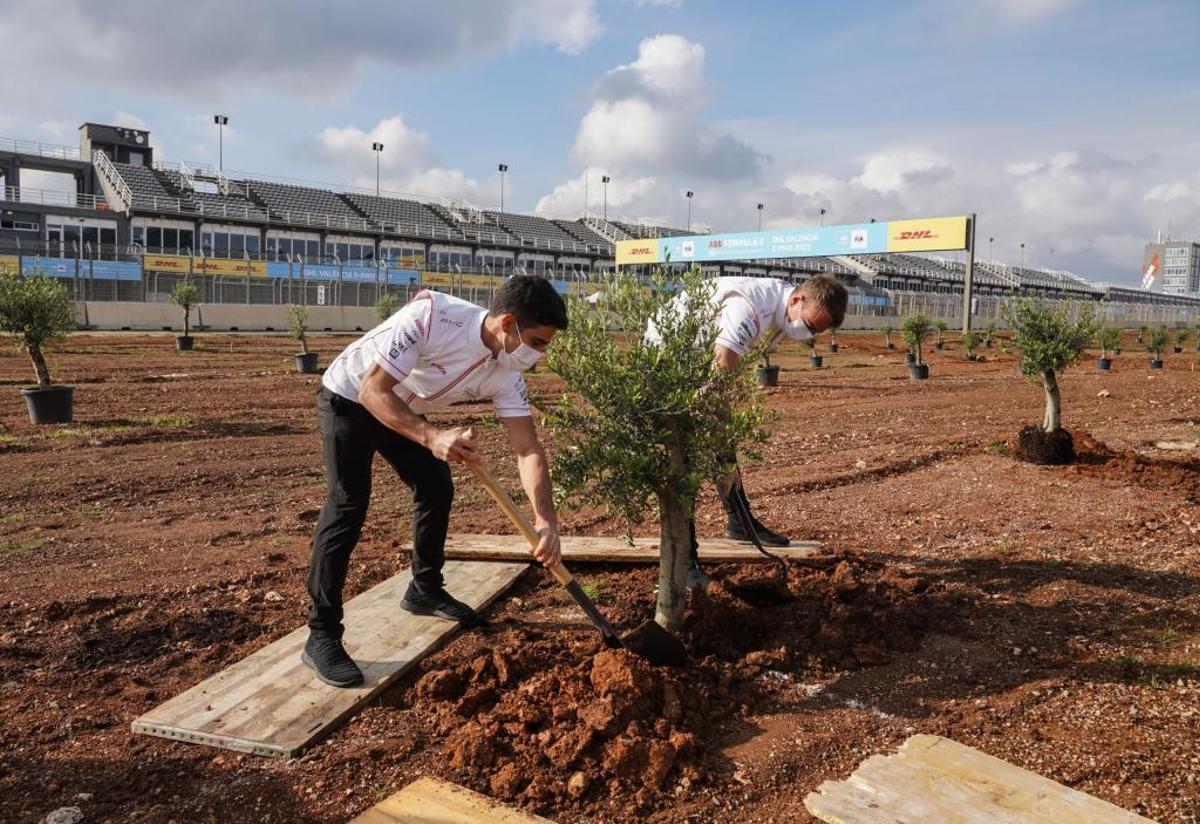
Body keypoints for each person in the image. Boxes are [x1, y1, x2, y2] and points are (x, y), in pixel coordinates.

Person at [303, 276, 568, 688]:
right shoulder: (432, 317)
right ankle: (322, 634)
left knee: (435, 487)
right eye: (537, 341)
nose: (539, 354)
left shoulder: (508, 373)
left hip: (401, 405)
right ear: (508, 322)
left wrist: (545, 520)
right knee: (348, 504)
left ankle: (424, 588)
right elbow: (374, 391)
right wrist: (432, 437)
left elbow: (527, 449)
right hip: (351, 399)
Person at [646, 274, 848, 589]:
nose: (808, 335)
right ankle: (683, 562)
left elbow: (725, 374)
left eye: (817, 332)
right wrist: (722, 456)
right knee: (686, 458)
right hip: (667, 357)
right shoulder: (748, 308)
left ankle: (739, 523)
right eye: (810, 326)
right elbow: (717, 381)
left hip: (700, 359)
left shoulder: (782, 308)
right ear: (797, 300)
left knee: (720, 437)